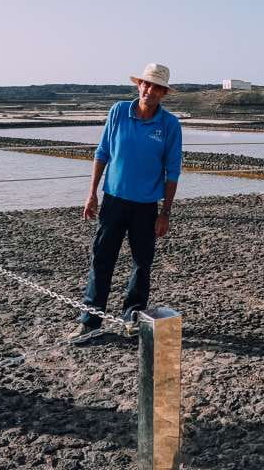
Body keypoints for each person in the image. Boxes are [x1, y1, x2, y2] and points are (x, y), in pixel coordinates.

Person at [70, 63, 183, 340]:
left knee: (141, 263)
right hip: (113, 201)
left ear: (163, 93)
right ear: (138, 85)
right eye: (146, 84)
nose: (150, 90)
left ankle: (132, 316)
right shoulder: (118, 111)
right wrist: (92, 192)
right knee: (101, 259)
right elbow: (102, 152)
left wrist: (165, 213)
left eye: (157, 87)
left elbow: (173, 171)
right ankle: (91, 321)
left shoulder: (169, 124)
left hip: (146, 207)